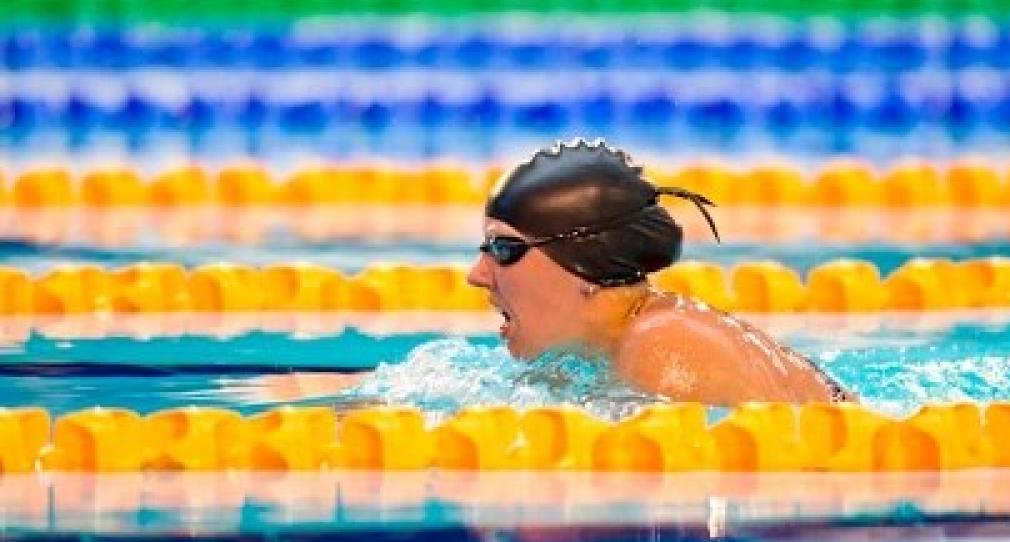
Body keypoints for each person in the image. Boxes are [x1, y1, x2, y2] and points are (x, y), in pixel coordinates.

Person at [247, 140, 853, 405]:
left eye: (504, 250)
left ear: (585, 266)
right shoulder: (613, 345)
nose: (477, 276)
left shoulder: (663, 347)